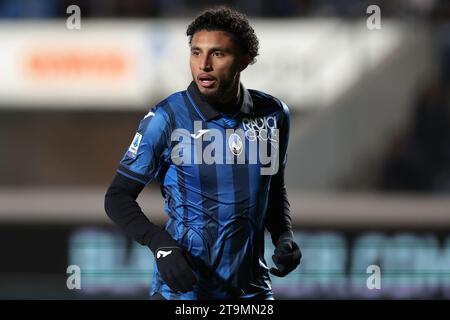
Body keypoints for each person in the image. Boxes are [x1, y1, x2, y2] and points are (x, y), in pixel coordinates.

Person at [104, 6, 301, 300]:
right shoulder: (166, 117)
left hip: (252, 293)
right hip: (183, 293)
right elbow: (117, 197)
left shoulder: (273, 115)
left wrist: (283, 235)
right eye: (196, 52)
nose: (203, 64)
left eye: (217, 54)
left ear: (244, 61)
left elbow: (273, 189)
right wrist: (160, 245)